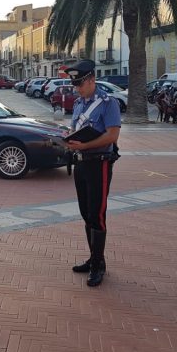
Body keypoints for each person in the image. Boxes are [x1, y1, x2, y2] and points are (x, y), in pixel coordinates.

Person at [63, 59, 121, 287]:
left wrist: (84, 146)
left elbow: (112, 136)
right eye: (75, 84)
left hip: (100, 163)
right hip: (81, 163)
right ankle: (94, 258)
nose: (77, 88)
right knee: (86, 212)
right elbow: (76, 128)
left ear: (91, 79)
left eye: (80, 83)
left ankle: (99, 265)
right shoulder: (79, 104)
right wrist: (68, 136)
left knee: (97, 214)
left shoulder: (108, 103)